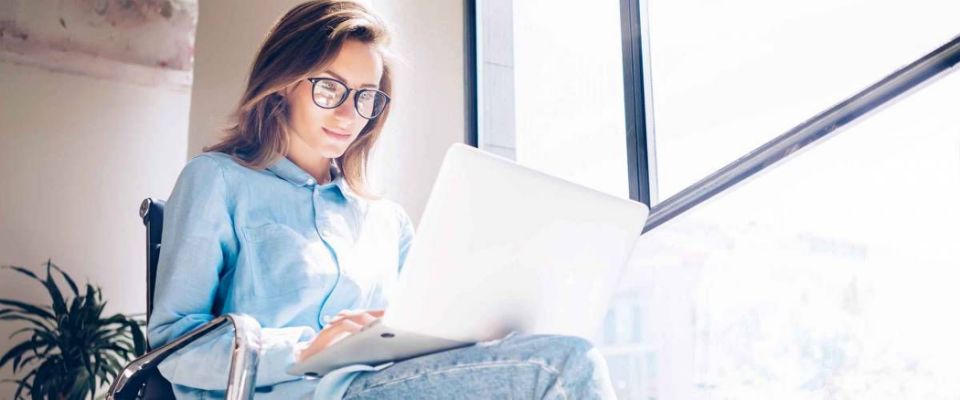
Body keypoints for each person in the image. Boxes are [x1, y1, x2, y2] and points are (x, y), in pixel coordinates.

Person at [147, 1, 617, 398]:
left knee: (555, 349)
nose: (351, 114)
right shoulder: (219, 181)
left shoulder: (385, 221)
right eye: (330, 88)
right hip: (302, 391)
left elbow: (419, 331)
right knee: (563, 365)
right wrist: (303, 351)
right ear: (285, 83)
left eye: (366, 96)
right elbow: (174, 345)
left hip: (385, 383)